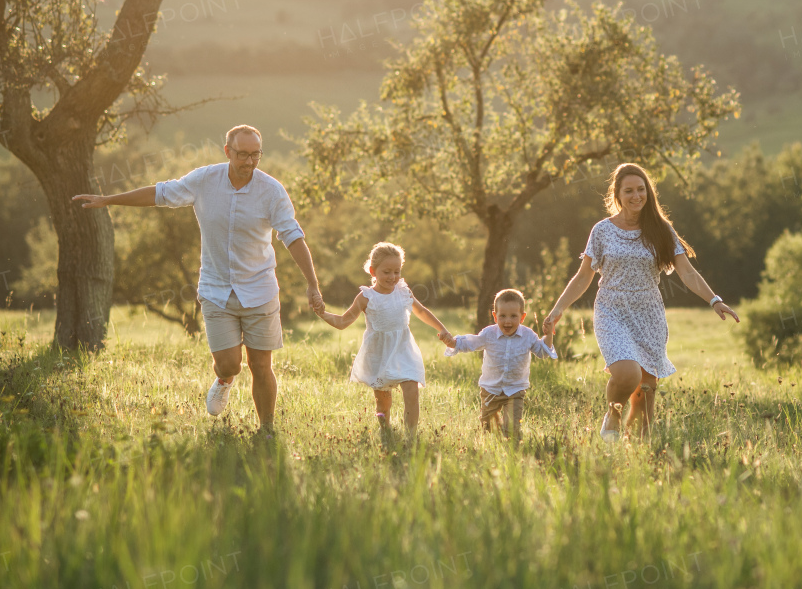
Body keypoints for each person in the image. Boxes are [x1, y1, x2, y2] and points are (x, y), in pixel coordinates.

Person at [72, 125, 324, 435]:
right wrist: (109, 199)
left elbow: (292, 236)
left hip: (260, 290)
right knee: (231, 363)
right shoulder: (205, 180)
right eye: (242, 154)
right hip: (217, 290)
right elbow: (160, 193)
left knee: (261, 365)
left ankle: (267, 429)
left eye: (255, 154)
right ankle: (224, 380)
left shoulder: (271, 191)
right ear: (227, 151)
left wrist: (312, 283)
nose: (249, 161)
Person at [542, 163, 740, 441]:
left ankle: (637, 448)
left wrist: (714, 300)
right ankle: (612, 414)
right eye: (629, 190)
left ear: (648, 192)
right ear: (617, 195)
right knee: (627, 374)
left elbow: (687, 271)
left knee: (647, 388)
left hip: (649, 313)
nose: (636, 195)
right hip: (611, 309)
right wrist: (558, 309)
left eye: (641, 189)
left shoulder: (661, 230)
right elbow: (583, 275)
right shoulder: (602, 231)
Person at [317, 242, 454, 435]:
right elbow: (342, 322)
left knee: (411, 390)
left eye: (397, 272)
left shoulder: (403, 291)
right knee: (383, 402)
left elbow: (421, 311)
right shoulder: (366, 297)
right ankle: (386, 431)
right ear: (373, 271)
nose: (393, 277)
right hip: (379, 353)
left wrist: (442, 329)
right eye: (387, 272)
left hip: (404, 348)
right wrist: (322, 313)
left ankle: (411, 436)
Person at [443, 288, 557, 440]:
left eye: (513, 316)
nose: (507, 321)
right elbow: (472, 342)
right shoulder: (489, 334)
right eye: (502, 316)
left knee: (512, 429)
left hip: (515, 390)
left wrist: (549, 335)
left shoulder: (528, 335)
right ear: (495, 316)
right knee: (489, 430)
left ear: (522, 317)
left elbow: (542, 352)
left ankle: (513, 449)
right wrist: (454, 343)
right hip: (491, 389)